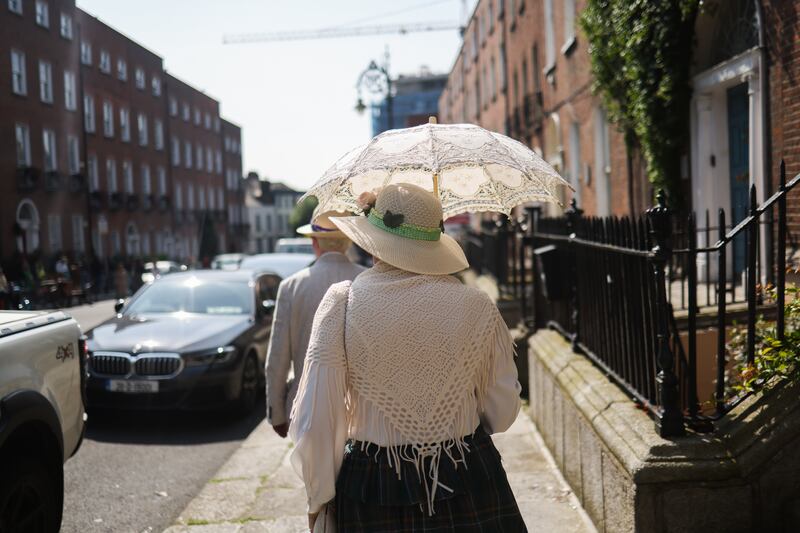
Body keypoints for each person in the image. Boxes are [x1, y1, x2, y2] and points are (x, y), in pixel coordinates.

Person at [289, 184, 525, 532]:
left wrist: (318, 496)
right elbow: (503, 413)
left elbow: (316, 421)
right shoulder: (476, 305)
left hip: (372, 487)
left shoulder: (342, 303)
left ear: (374, 241)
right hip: (469, 476)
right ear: (433, 243)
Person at [266, 210, 365, 439]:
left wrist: (276, 413)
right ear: (348, 241)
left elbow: (277, 357)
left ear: (314, 242)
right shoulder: (366, 280)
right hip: (358, 410)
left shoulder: (291, 286)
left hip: (305, 408)